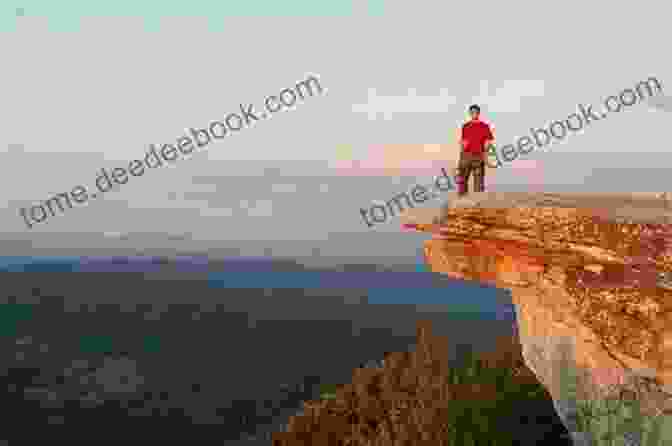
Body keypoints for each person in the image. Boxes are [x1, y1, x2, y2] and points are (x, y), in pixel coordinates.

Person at [456, 104, 494, 195]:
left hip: (479, 156)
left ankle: (478, 204)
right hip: (466, 156)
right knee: (462, 180)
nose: (474, 114)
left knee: (479, 182)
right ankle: (462, 202)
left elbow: (488, 142)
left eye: (476, 112)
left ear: (478, 113)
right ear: (470, 113)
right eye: (472, 112)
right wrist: (460, 157)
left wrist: (485, 155)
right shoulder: (465, 126)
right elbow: (464, 142)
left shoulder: (484, 126)